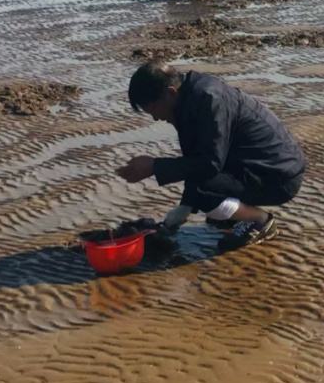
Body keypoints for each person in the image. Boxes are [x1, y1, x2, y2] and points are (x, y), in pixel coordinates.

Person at [118, 64, 306, 250]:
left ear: (171, 92)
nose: (155, 118)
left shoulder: (209, 99)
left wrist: (155, 166)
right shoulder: (186, 100)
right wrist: (184, 208)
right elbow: (196, 159)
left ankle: (260, 221)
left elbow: (209, 164)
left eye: (153, 108)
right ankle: (239, 215)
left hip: (279, 176)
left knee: (207, 193)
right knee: (209, 202)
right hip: (255, 165)